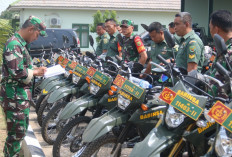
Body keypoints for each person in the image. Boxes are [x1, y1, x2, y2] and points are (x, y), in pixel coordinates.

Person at [0, 16, 47, 157]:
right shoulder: (14, 44)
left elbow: (20, 66)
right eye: (37, 34)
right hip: (14, 97)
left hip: (18, 97)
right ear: (31, 29)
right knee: (15, 135)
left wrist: (35, 69)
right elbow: (17, 71)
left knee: (18, 133)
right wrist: (35, 72)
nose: (36, 38)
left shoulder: (20, 44)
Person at [209, 10, 232, 98]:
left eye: (210, 27)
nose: (210, 30)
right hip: (214, 106)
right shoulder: (222, 48)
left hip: (226, 108)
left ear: (216, 29)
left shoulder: (229, 51)